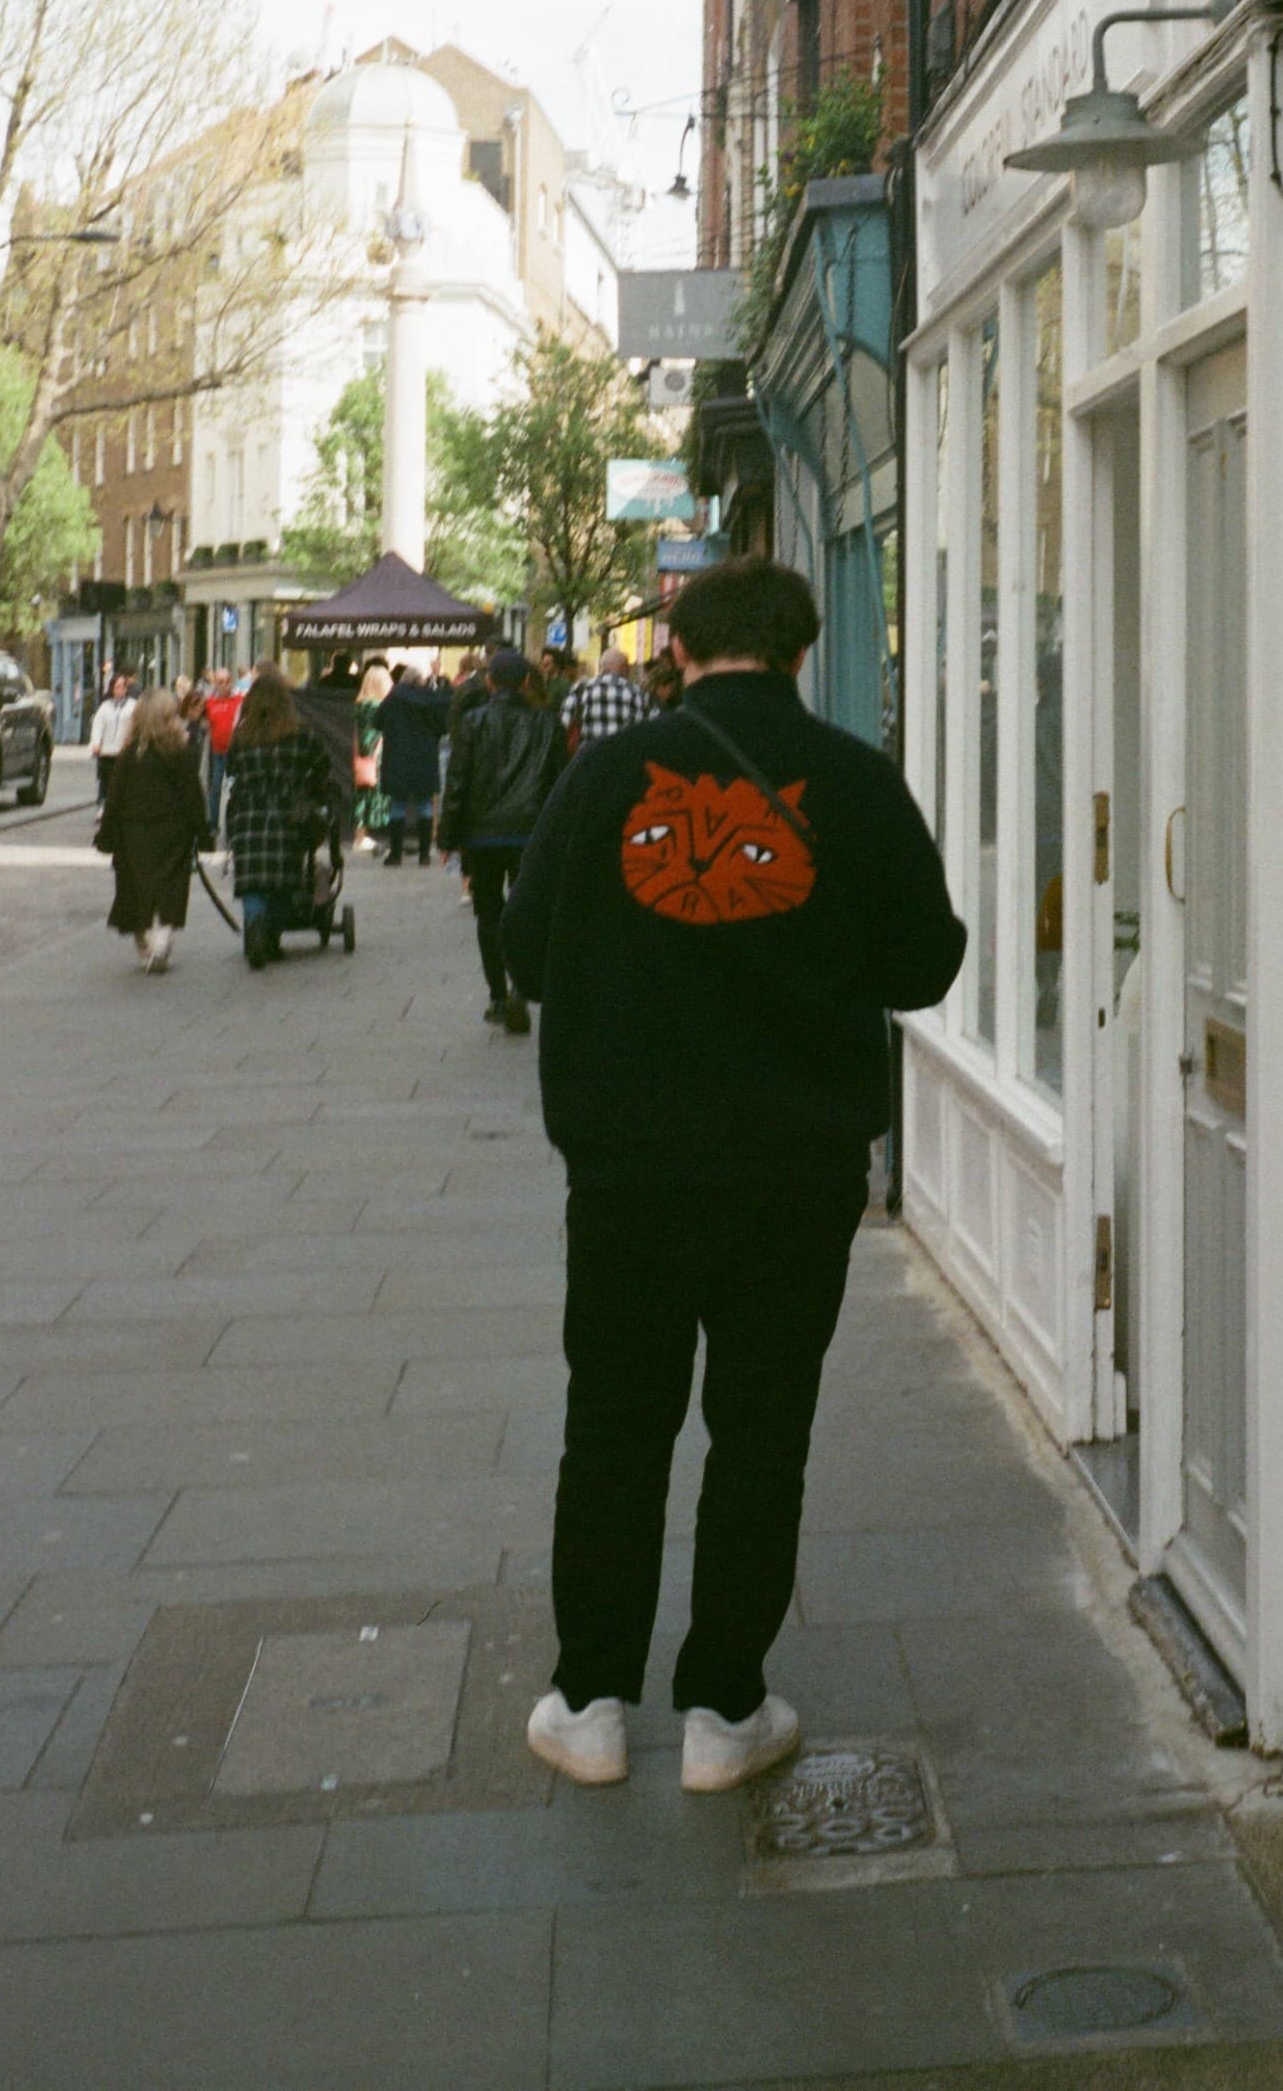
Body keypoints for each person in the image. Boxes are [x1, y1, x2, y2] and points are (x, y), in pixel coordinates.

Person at [502, 556, 965, 1796]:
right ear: (801, 651)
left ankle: (590, 1700)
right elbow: (924, 965)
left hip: (628, 1172)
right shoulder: (856, 782)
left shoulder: (604, 777)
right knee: (761, 1430)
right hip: (791, 1173)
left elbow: (524, 948)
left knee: (613, 1424)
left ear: (679, 648)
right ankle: (722, 1705)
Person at [438, 645, 567, 1034]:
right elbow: (560, 782)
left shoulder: (473, 722)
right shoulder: (548, 723)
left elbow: (458, 781)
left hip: (483, 835)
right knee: (527, 908)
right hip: (531, 832)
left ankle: (496, 996)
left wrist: (448, 835)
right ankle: (519, 988)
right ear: (527, 681)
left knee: (489, 912)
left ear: (490, 682)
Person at [223, 664, 337, 968]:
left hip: (248, 814)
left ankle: (254, 922)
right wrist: (312, 790)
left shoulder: (241, 737)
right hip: (289, 816)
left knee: (251, 880)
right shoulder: (300, 734)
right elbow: (322, 764)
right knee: (283, 879)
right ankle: (271, 936)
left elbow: (232, 770)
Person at [95, 686, 210, 973]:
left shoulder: (129, 756)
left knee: (136, 890)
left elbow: (114, 799)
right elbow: (193, 797)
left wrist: (106, 835)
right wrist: (203, 833)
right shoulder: (180, 754)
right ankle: (161, 939)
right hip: (173, 833)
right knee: (170, 889)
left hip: (134, 833)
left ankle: (147, 942)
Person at [373, 660, 445, 866]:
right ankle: (424, 854)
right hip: (425, 758)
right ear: (420, 681)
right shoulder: (430, 699)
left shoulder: (393, 698)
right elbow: (442, 726)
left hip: (398, 757)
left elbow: (377, 722)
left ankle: (395, 854)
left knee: (397, 805)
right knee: (424, 805)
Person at [562, 646, 654, 755]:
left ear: (601, 667)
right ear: (624, 668)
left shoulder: (580, 690)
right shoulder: (637, 693)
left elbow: (564, 722)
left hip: (588, 758)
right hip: (626, 758)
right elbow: (652, 727)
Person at [352, 660, 391, 852]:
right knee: (373, 794)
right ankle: (362, 838)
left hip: (363, 755)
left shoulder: (360, 705)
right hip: (376, 755)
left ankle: (360, 835)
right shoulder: (378, 707)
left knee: (362, 794)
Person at [201, 669, 242, 839]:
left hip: (235, 752)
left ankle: (235, 822)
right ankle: (213, 823)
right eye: (221, 682)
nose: (225, 685)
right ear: (216, 684)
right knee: (215, 788)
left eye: (227, 681)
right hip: (217, 752)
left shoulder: (239, 700)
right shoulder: (210, 703)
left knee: (236, 788)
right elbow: (204, 724)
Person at [89, 671, 136, 808]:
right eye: (117, 687)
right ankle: (103, 805)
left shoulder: (133, 706)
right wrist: (96, 743)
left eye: (123, 687)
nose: (120, 690)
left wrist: (132, 741)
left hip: (124, 751)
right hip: (107, 751)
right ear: (112, 689)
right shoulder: (105, 707)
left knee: (123, 781)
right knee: (106, 781)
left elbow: (136, 726)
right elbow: (98, 726)